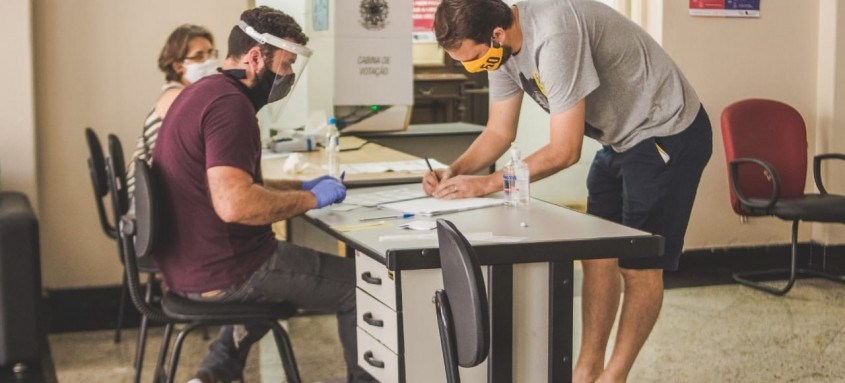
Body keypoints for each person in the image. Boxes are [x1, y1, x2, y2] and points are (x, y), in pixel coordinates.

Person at [427, 1, 712, 382]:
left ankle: (614, 375)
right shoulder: (500, 52)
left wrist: (488, 183)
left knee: (639, 267)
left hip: (666, 133)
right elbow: (498, 131)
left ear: (495, 34)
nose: (471, 68)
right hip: (620, 141)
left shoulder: (552, 34)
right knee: (596, 255)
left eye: (473, 59)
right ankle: (586, 370)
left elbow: (565, 150)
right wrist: (454, 171)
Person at [152, 7, 374, 383]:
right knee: (363, 289)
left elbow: (231, 185)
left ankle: (214, 374)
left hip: (188, 263)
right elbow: (236, 204)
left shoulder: (203, 94)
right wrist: (310, 200)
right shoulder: (230, 106)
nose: (287, 76)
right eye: (286, 65)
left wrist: (301, 186)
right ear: (256, 57)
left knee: (281, 280)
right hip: (228, 267)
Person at [126, 24, 219, 195]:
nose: (209, 60)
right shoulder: (176, 97)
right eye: (199, 56)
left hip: (162, 190)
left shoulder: (184, 94)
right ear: (178, 66)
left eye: (211, 53)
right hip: (147, 201)